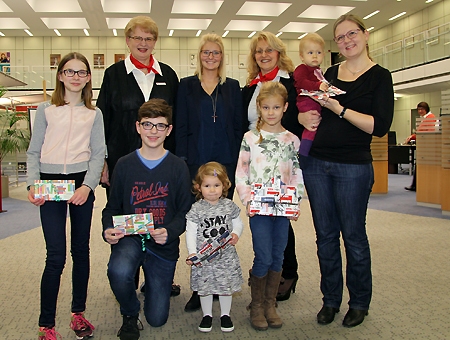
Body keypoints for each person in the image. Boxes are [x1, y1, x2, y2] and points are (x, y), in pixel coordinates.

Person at [294, 14, 394, 327]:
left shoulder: (380, 76)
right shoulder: (329, 72)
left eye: (351, 34)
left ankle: (360, 302)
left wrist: (340, 109)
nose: (346, 40)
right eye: (340, 38)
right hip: (317, 163)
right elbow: (304, 101)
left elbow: (379, 126)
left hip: (354, 166)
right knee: (324, 237)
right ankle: (331, 300)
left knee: (353, 236)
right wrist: (300, 120)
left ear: (365, 35)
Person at [97, 15, 180, 296]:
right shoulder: (113, 74)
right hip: (123, 165)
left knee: (159, 217)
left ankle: (158, 277)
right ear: (127, 41)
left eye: (149, 38)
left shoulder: (168, 75)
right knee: (125, 218)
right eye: (137, 38)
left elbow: (175, 123)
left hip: (160, 166)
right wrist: (103, 163)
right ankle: (128, 281)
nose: (143, 43)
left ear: (155, 42)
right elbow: (102, 121)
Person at [26, 52, 105, 339]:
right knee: (55, 256)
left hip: (80, 183)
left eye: (81, 72)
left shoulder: (94, 114)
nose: (75, 77)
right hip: (49, 183)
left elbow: (98, 155)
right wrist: (33, 184)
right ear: (60, 76)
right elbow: (34, 151)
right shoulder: (46, 109)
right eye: (69, 71)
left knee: (80, 252)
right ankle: (46, 324)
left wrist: (87, 186)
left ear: (88, 78)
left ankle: (78, 313)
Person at [102, 98, 191, 340]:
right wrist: (108, 229)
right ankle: (129, 313)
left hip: (162, 245)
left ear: (169, 130)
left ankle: (154, 286)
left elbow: (185, 212)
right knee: (118, 272)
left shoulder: (178, 167)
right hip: (129, 239)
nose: (153, 131)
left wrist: (170, 232)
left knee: (157, 319)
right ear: (138, 127)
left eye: (160, 126)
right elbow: (110, 209)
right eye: (148, 125)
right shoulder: (124, 165)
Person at [175, 33, 242, 312]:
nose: (211, 57)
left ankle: (221, 282)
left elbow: (238, 127)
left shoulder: (233, 87)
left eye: (216, 53)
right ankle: (200, 288)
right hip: (195, 165)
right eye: (206, 52)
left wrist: (240, 164)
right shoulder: (186, 86)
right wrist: (181, 161)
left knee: (222, 228)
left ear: (222, 57)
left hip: (225, 164)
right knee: (199, 229)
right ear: (199, 56)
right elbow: (179, 125)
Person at [236, 82, 304, 331]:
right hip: (260, 209)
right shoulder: (250, 138)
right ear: (259, 109)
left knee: (278, 256)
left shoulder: (291, 140)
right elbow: (241, 173)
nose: (271, 112)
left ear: (285, 107)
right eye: (266, 107)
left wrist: (296, 200)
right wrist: (247, 200)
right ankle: (256, 306)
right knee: (263, 256)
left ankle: (269, 304)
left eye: (276, 107)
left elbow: (297, 174)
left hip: (283, 209)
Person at [242, 31, 299, 302]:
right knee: (263, 237)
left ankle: (288, 274)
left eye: (269, 50)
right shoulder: (249, 86)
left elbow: (299, 120)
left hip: (283, 161)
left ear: (279, 53)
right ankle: (259, 296)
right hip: (257, 163)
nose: (264, 55)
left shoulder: (291, 81)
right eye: (259, 51)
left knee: (282, 228)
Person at [185, 162, 244, 333]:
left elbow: (238, 223)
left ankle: (225, 315)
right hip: (204, 258)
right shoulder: (196, 209)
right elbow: (190, 231)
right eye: (207, 186)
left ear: (224, 186)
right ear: (198, 187)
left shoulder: (229, 205)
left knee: (226, 286)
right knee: (205, 287)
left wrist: (236, 234)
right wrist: (192, 252)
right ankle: (207, 315)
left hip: (226, 256)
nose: (212, 190)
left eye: (217, 185)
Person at [293, 33, 329, 157]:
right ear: (302, 56)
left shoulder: (318, 71)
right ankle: (303, 153)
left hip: (315, 99)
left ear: (324, 54)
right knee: (312, 127)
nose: (314, 56)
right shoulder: (302, 69)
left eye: (318, 53)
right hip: (306, 101)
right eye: (310, 53)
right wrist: (318, 85)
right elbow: (301, 82)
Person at [404, 101, 436, 191]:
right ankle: (415, 185)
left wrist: (412, 137)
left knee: (420, 166)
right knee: (418, 166)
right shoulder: (426, 118)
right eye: (418, 109)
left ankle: (416, 185)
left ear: (426, 109)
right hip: (425, 146)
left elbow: (423, 132)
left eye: (422, 109)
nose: (420, 111)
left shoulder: (430, 118)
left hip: (427, 147)